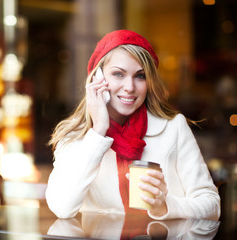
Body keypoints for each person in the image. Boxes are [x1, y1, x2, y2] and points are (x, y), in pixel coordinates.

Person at [45, 30, 220, 221]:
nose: (129, 87)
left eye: (140, 76)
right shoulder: (75, 138)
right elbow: (61, 207)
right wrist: (98, 131)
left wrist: (165, 206)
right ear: (98, 78)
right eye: (118, 74)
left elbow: (211, 205)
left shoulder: (173, 128)